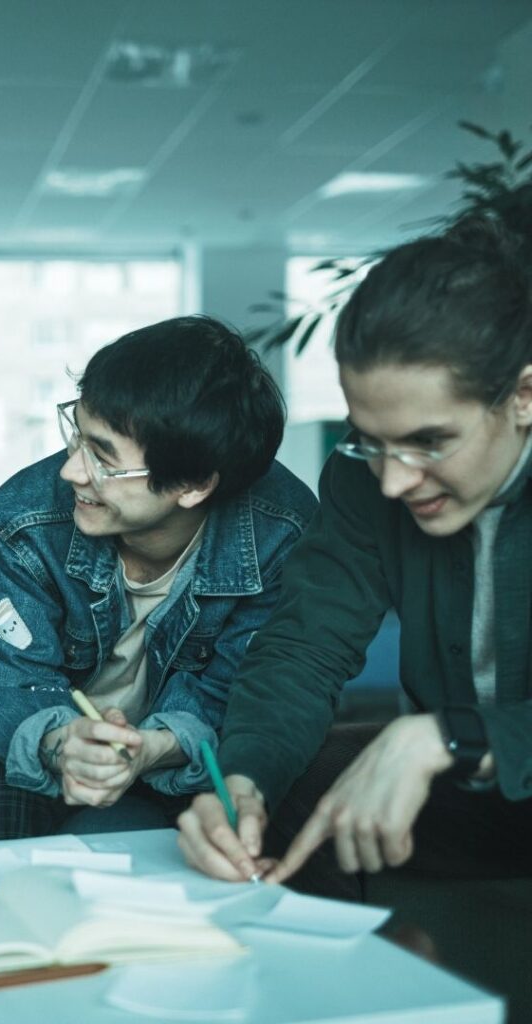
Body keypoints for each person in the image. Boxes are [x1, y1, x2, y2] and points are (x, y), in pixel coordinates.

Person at [178, 220, 532, 899]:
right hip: (463, 789)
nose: (394, 482)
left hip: (471, 758)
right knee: (264, 806)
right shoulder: (361, 478)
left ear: (522, 396)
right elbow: (304, 647)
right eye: (372, 440)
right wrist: (243, 783)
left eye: (429, 442)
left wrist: (452, 737)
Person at [0, 316, 317, 841]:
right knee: (0, 786)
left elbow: (241, 693)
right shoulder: (23, 515)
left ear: (192, 484)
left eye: (104, 459)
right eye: (78, 436)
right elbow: (9, 675)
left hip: (186, 733)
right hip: (48, 710)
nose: (71, 471)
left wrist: (152, 749)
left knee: (262, 812)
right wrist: (65, 743)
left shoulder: (281, 530)